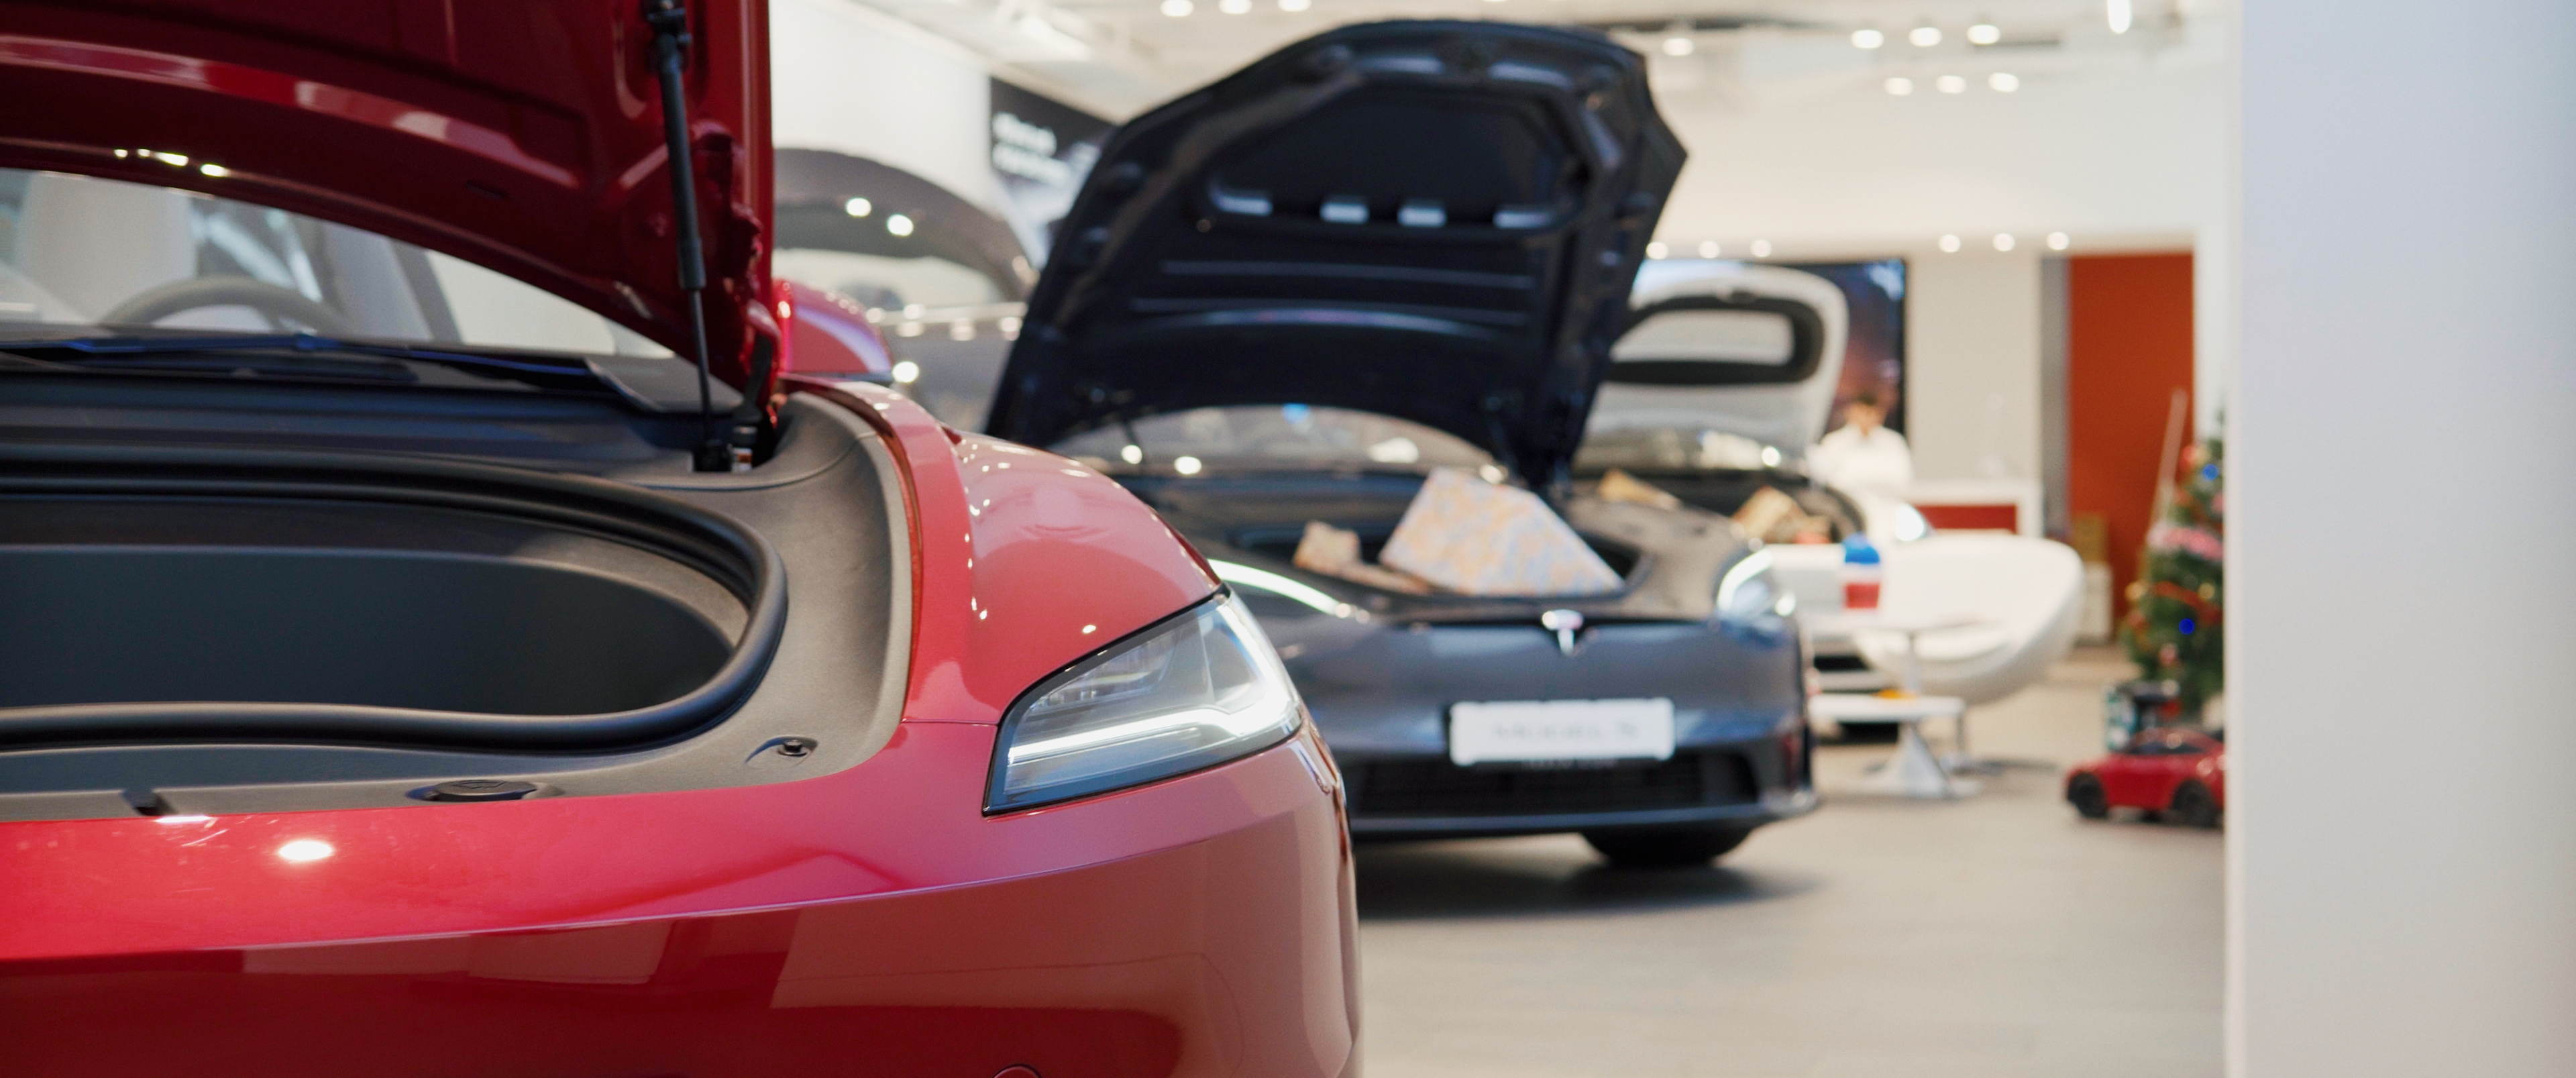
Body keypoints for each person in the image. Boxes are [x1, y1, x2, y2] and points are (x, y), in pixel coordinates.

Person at [1810, 388, 1914, 493]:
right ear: (1850, 412)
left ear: (1881, 414)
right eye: (1861, 412)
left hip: (1888, 501)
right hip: (1847, 502)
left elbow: (1903, 479)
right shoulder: (1833, 442)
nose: (1866, 418)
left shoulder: (1894, 442)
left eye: (1870, 413)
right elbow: (1829, 482)